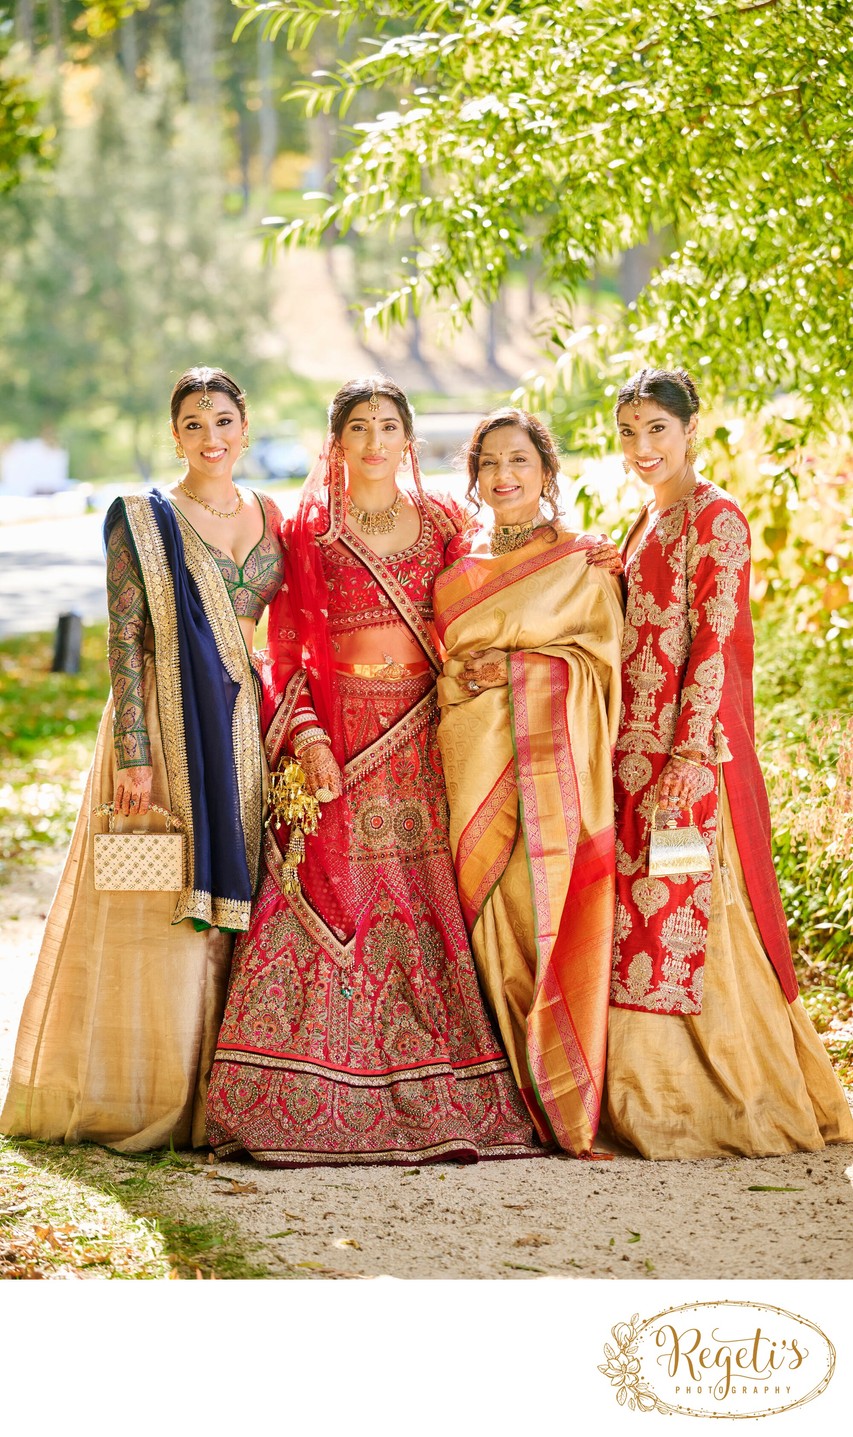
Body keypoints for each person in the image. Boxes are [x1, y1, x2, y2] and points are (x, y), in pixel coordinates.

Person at [205, 377, 541, 1165]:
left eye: (389, 426)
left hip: (424, 740)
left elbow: (494, 597)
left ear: (407, 440)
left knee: (427, 907)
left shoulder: (446, 524)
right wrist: (310, 737)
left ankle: (440, 1083)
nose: (375, 441)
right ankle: (297, 1091)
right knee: (323, 897)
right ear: (338, 443)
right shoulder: (308, 532)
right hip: (339, 747)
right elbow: (281, 649)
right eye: (360, 428)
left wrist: (579, 557)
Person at [0, 367, 282, 1152]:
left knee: (237, 894)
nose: (210, 436)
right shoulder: (143, 519)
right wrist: (133, 754)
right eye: (193, 423)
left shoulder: (272, 515)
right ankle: (145, 1088)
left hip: (240, 724)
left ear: (246, 428)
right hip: (160, 727)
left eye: (223, 419)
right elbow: (124, 638)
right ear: (175, 436)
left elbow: (281, 633)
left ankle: (219, 1082)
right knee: (154, 898)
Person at [601, 365, 853, 1158]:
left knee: (693, 913)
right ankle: (639, 1094)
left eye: (657, 431)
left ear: (690, 429)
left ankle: (730, 1097)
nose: (643, 448)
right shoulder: (642, 521)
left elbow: (713, 643)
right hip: (629, 759)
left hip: (688, 759)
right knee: (639, 916)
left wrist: (686, 754)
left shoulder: (717, 519)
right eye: (629, 433)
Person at [432, 409, 625, 1157]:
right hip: (473, 768)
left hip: (554, 777)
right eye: (488, 464)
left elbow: (603, 669)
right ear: (474, 477)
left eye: (519, 461)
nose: (503, 476)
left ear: (546, 470)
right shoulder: (456, 573)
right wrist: (466, 678)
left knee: (543, 909)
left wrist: (516, 669)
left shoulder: (582, 564)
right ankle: (509, 1091)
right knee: (489, 920)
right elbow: (440, 672)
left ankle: (559, 1091)